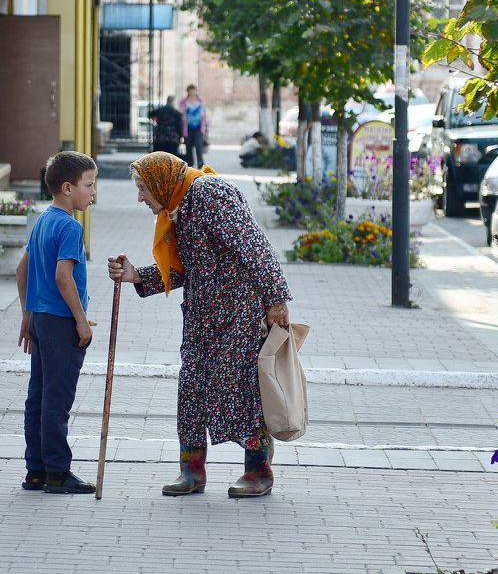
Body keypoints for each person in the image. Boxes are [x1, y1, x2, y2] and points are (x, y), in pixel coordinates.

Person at [107, 152, 291, 499]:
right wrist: (136, 275)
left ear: (161, 182)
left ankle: (258, 470)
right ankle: (191, 470)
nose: (140, 197)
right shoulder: (177, 207)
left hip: (240, 313)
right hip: (203, 317)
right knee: (191, 389)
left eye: (144, 188)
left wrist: (276, 297)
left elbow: (255, 247)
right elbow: (186, 269)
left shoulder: (209, 192)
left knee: (241, 389)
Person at [15, 151, 98, 494]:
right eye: (89, 185)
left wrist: (26, 314)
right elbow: (64, 276)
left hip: (39, 319)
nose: (93, 193)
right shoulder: (70, 226)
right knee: (57, 399)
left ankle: (36, 469)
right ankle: (57, 472)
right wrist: (82, 321)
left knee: (38, 396)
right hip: (61, 322)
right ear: (68, 187)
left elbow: (23, 269)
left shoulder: (43, 220)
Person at [179, 84, 208, 169]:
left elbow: (204, 114)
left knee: (199, 145)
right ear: (188, 91)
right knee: (188, 145)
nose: (192, 92)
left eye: (193, 90)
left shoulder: (201, 101)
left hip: (199, 127)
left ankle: (200, 163)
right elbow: (181, 113)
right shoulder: (184, 102)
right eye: (190, 90)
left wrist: (206, 126)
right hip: (187, 127)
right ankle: (189, 163)